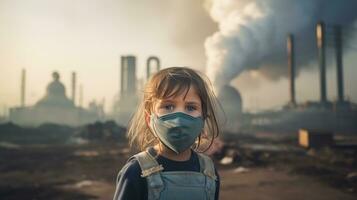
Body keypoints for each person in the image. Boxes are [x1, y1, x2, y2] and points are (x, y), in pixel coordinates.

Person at [113, 67, 221, 200]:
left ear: (203, 118)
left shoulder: (209, 172)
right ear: (149, 119)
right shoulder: (136, 171)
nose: (179, 118)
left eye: (190, 107)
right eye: (168, 106)